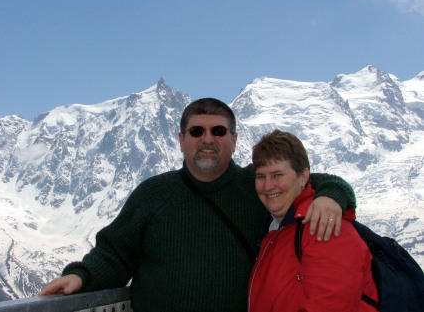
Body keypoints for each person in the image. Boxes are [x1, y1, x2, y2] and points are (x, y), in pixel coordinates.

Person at [40, 98, 357, 312]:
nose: (208, 139)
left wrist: (331, 196)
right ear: (181, 139)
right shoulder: (153, 194)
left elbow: (313, 179)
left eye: (218, 131)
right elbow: (115, 253)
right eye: (197, 131)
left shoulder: (258, 186)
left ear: (233, 139)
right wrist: (81, 276)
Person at [248, 129, 378, 312]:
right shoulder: (279, 230)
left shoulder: (324, 225)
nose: (268, 186)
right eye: (261, 176)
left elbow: (330, 304)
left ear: (303, 177)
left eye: (278, 175)